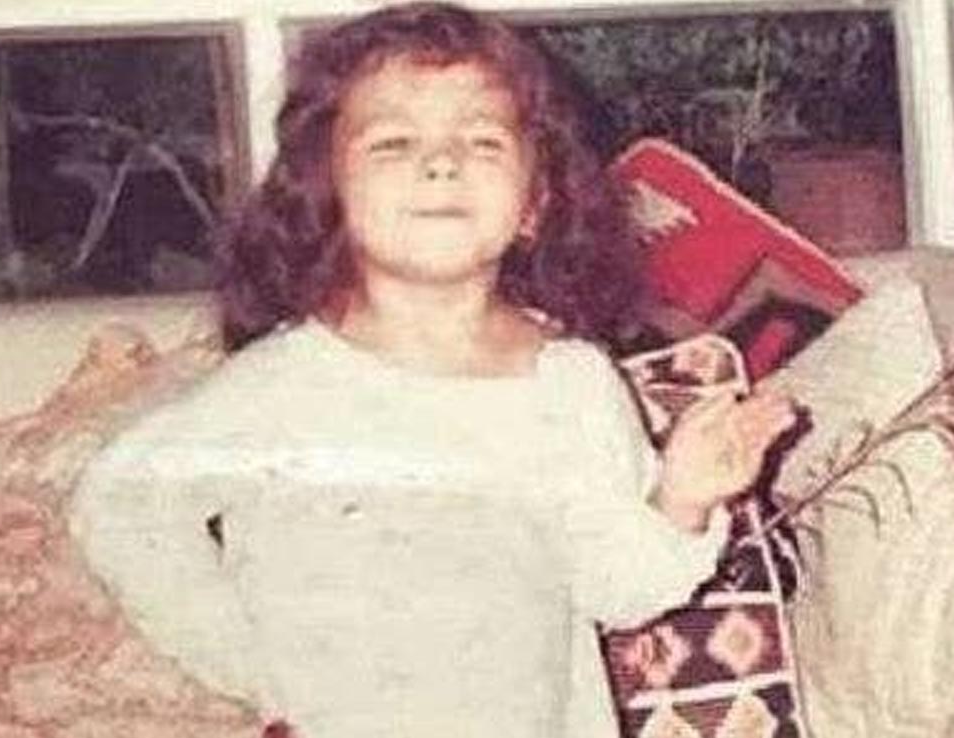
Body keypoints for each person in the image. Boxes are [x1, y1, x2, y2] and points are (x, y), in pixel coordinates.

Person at [68, 3, 795, 737]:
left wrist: (682, 499)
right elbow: (122, 503)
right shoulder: (280, 385)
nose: (442, 162)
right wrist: (254, 667)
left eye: (482, 140)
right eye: (393, 143)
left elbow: (619, 588)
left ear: (536, 202)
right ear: (329, 195)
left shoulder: (571, 383)